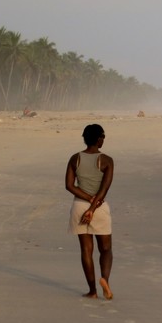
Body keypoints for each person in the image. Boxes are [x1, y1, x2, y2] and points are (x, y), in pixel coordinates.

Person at [65, 124, 115, 299]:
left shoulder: (75, 158)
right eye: (103, 137)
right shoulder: (107, 160)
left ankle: (92, 291)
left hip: (79, 206)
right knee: (106, 249)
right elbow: (104, 189)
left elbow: (69, 186)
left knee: (86, 250)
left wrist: (87, 200)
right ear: (99, 139)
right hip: (99, 208)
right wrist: (93, 206)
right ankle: (105, 280)